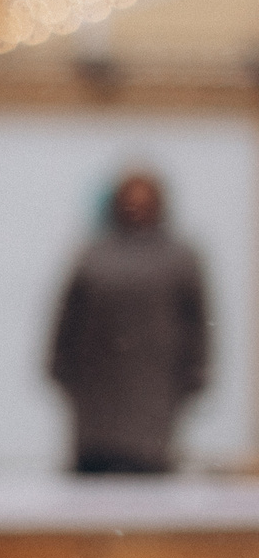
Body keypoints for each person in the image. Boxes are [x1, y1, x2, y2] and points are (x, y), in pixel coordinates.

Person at [50, 171, 209, 475]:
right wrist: (61, 369)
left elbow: (197, 326)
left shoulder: (179, 258)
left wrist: (195, 376)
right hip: (94, 403)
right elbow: (66, 322)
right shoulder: (92, 256)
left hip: (155, 403)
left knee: (148, 498)